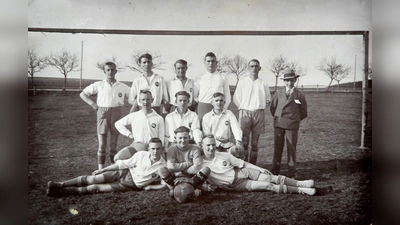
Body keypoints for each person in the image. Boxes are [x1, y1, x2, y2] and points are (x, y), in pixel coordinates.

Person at [46, 138, 168, 197]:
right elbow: (122, 164)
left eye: (158, 149)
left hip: (130, 185)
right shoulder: (141, 154)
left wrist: (151, 187)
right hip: (123, 173)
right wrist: (103, 169)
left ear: (162, 149)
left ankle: (61, 193)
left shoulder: (164, 166)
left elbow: (165, 184)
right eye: (153, 148)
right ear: (148, 149)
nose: (155, 151)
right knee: (93, 179)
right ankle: (60, 184)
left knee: (95, 187)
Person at [200, 134, 315, 195]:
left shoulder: (223, 154)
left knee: (269, 177)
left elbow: (243, 164)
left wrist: (260, 168)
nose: (211, 148)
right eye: (208, 145)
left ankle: (301, 183)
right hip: (236, 184)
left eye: (213, 145)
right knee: (268, 186)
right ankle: (301, 190)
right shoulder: (200, 164)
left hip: (241, 172)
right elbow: (201, 181)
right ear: (202, 146)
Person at [79, 62, 130, 169]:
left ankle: (112, 167)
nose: (110, 72)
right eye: (108, 70)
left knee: (113, 144)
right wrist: (93, 104)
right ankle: (100, 169)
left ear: (116, 71)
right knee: (102, 144)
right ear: (104, 72)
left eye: (112, 70)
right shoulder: (99, 84)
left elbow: (133, 98)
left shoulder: (122, 86)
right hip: (102, 113)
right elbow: (83, 94)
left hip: (116, 113)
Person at [270, 68, 308, 178]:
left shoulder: (299, 95)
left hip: (292, 125)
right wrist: (279, 118)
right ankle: (275, 170)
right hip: (279, 124)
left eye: (291, 80)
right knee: (277, 148)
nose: (289, 83)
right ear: (284, 81)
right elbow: (273, 108)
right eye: (287, 80)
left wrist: (295, 119)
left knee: (291, 148)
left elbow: (304, 112)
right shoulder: (278, 93)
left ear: (295, 81)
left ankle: (292, 172)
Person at [233, 59, 271, 164]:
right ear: (248, 68)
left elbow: (268, 100)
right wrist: (244, 107)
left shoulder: (263, 83)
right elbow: (236, 98)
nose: (254, 68)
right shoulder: (243, 82)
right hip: (245, 113)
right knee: (244, 142)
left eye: (256, 66)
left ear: (259, 68)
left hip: (258, 114)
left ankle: (252, 165)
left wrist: (259, 107)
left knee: (255, 143)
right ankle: (243, 164)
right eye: (252, 66)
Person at [113, 89, 165, 161]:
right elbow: (118, 124)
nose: (145, 102)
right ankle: (126, 172)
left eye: (148, 99)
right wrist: (130, 134)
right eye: (143, 99)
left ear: (152, 100)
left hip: (151, 149)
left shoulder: (158, 118)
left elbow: (161, 137)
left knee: (145, 167)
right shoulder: (134, 115)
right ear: (139, 101)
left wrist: (158, 150)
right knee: (118, 157)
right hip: (136, 147)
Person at [202, 92, 245, 159]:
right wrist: (218, 144)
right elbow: (207, 134)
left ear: (224, 102)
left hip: (227, 144)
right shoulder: (207, 117)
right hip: (213, 144)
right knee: (217, 159)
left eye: (221, 100)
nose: (219, 103)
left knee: (237, 152)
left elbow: (236, 129)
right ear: (212, 102)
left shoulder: (229, 114)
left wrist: (238, 141)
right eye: (216, 100)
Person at [195, 52, 231, 122]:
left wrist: (223, 108)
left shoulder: (222, 77)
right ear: (204, 63)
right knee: (203, 129)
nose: (210, 63)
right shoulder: (199, 78)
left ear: (216, 62)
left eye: (212, 61)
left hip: (218, 106)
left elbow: (227, 96)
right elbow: (195, 95)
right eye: (208, 61)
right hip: (203, 107)